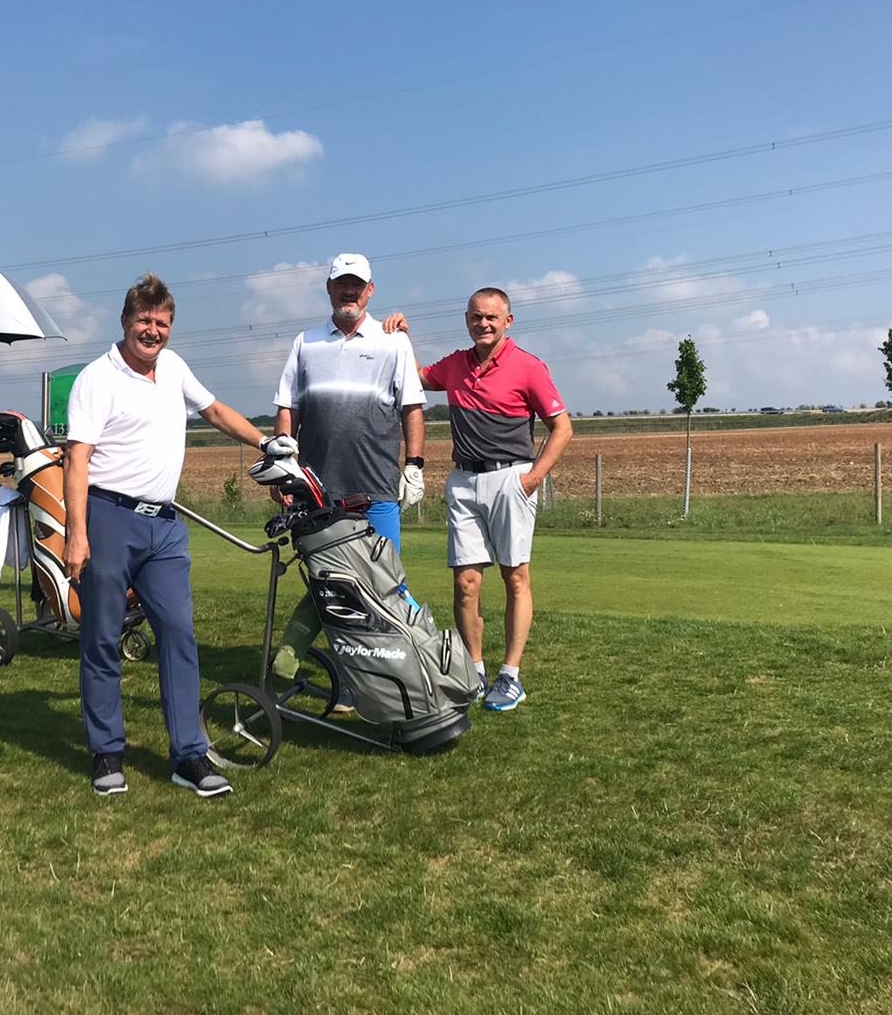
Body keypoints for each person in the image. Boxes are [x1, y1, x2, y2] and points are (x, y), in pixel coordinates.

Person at [63, 273, 296, 797]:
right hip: (109, 517)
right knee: (101, 637)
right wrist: (77, 534)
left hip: (165, 526)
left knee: (178, 633)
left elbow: (214, 411)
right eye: (144, 321)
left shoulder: (172, 368)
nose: (153, 331)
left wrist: (266, 443)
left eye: (162, 323)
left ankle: (188, 755)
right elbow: (77, 461)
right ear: (125, 321)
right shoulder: (96, 379)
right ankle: (106, 753)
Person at [384, 288, 572, 712]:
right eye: (476, 317)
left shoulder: (529, 367)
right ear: (467, 320)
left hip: (511, 478)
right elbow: (417, 377)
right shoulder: (456, 364)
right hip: (464, 480)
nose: (483, 324)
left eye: (491, 317)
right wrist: (403, 336)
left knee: (515, 578)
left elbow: (562, 428)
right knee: (466, 583)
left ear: (508, 321)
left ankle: (510, 676)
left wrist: (532, 479)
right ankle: (474, 671)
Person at [268, 253, 426, 688]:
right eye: (342, 284)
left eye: (357, 284)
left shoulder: (394, 341)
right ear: (330, 288)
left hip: (376, 488)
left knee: (383, 583)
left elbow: (412, 408)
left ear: (370, 290)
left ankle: (415, 665)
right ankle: (347, 677)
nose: (349, 291)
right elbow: (288, 410)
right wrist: (284, 469)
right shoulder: (306, 342)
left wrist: (414, 466)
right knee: (328, 584)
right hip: (316, 492)